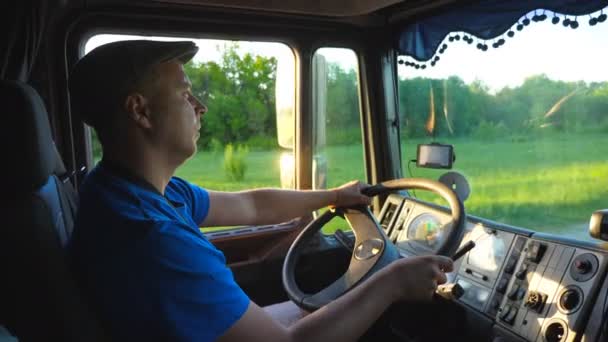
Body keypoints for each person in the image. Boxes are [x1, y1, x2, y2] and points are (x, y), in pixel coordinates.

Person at [67, 40, 453, 342]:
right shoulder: (151, 237)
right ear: (140, 111)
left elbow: (249, 205)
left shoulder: (130, 190)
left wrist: (333, 196)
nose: (200, 107)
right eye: (185, 94)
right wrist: (394, 281)